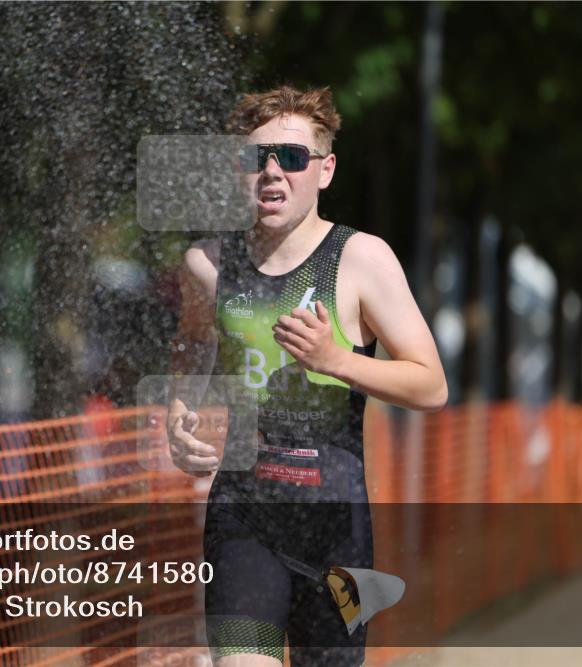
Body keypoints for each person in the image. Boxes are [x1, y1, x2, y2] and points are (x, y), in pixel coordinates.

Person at [166, 85, 447, 667]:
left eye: (291, 158)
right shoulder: (207, 264)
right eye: (255, 159)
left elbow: (431, 384)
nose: (272, 172)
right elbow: (193, 343)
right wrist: (179, 409)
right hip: (242, 515)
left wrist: (337, 360)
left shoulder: (363, 260)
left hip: (335, 527)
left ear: (325, 170)